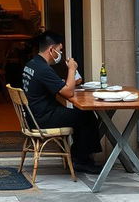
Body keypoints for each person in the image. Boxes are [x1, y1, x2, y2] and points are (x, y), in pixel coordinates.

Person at [22, 30, 102, 173]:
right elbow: (68, 93)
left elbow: (55, 84)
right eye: (60, 49)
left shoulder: (32, 64)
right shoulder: (43, 69)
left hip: (33, 116)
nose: (61, 53)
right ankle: (82, 160)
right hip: (43, 118)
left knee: (80, 114)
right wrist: (72, 69)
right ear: (51, 49)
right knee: (87, 116)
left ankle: (78, 156)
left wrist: (70, 81)